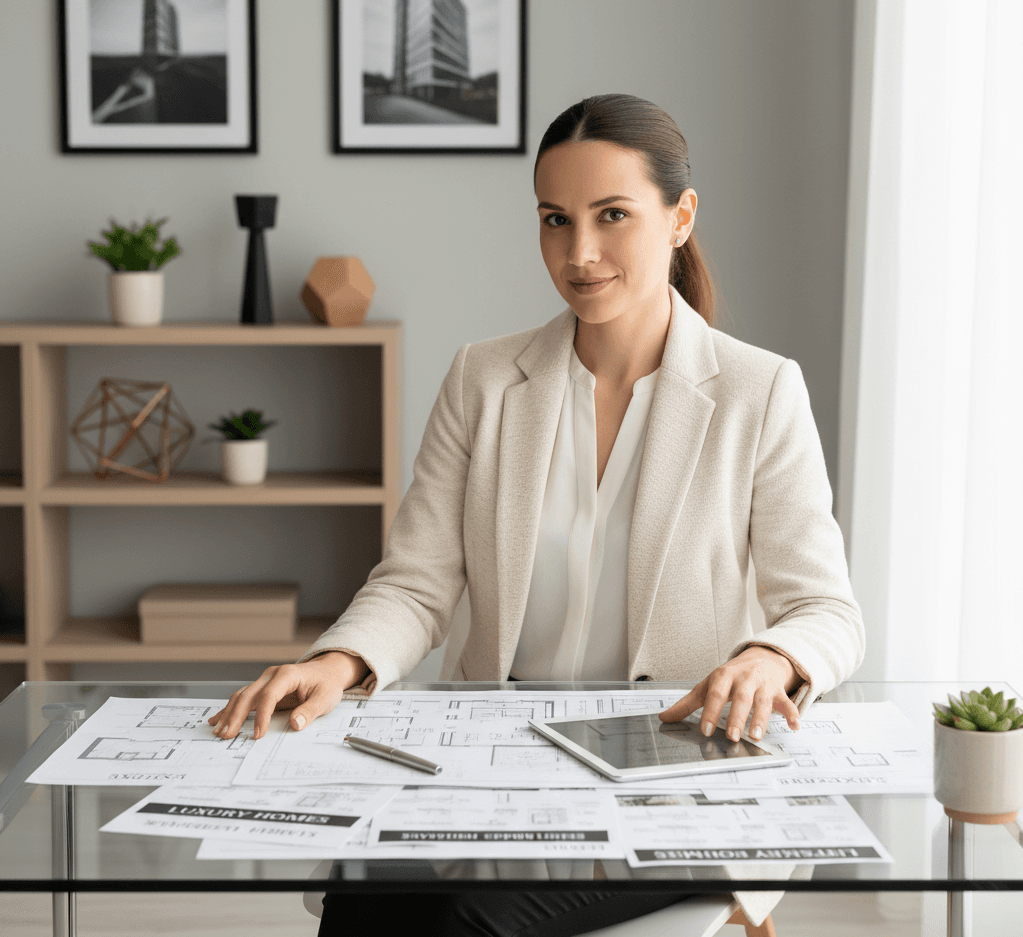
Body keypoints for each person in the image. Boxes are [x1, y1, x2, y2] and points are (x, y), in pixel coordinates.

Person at [210, 94, 865, 936]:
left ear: (679, 217)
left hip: (675, 783)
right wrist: (339, 662)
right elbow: (416, 583)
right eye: (556, 219)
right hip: (491, 763)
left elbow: (827, 611)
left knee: (464, 923)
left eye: (612, 216)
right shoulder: (483, 380)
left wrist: (775, 656)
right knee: (363, 901)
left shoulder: (759, 391)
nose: (579, 253)